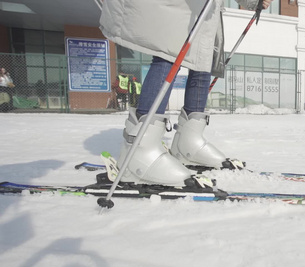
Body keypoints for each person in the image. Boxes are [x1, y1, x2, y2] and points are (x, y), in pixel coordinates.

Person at [99, 0, 272, 187]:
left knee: (202, 64)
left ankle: (188, 143)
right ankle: (140, 151)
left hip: (204, 9)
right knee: (169, 53)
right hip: (179, 7)